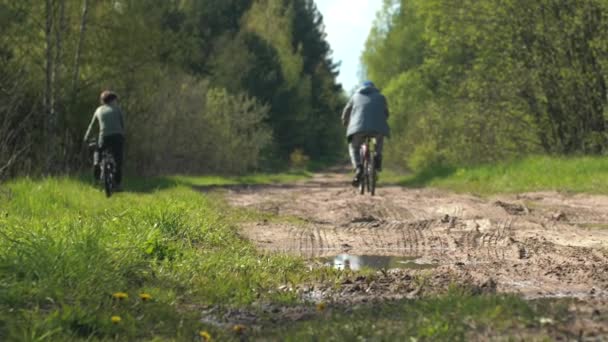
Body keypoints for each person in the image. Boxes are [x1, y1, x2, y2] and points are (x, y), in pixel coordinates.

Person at [341, 81, 390, 186]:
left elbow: (346, 111)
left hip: (358, 129)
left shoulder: (355, 96)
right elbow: (386, 113)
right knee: (379, 140)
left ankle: (358, 168)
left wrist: (345, 122)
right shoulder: (381, 97)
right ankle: (377, 158)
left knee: (354, 147)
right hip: (377, 128)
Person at [84, 90, 125, 190]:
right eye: (115, 100)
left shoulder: (98, 110)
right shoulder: (118, 109)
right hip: (117, 137)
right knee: (118, 160)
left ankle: (96, 179)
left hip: (104, 137)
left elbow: (92, 126)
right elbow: (122, 124)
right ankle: (118, 185)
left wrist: (86, 138)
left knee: (97, 154)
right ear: (112, 100)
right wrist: (123, 135)